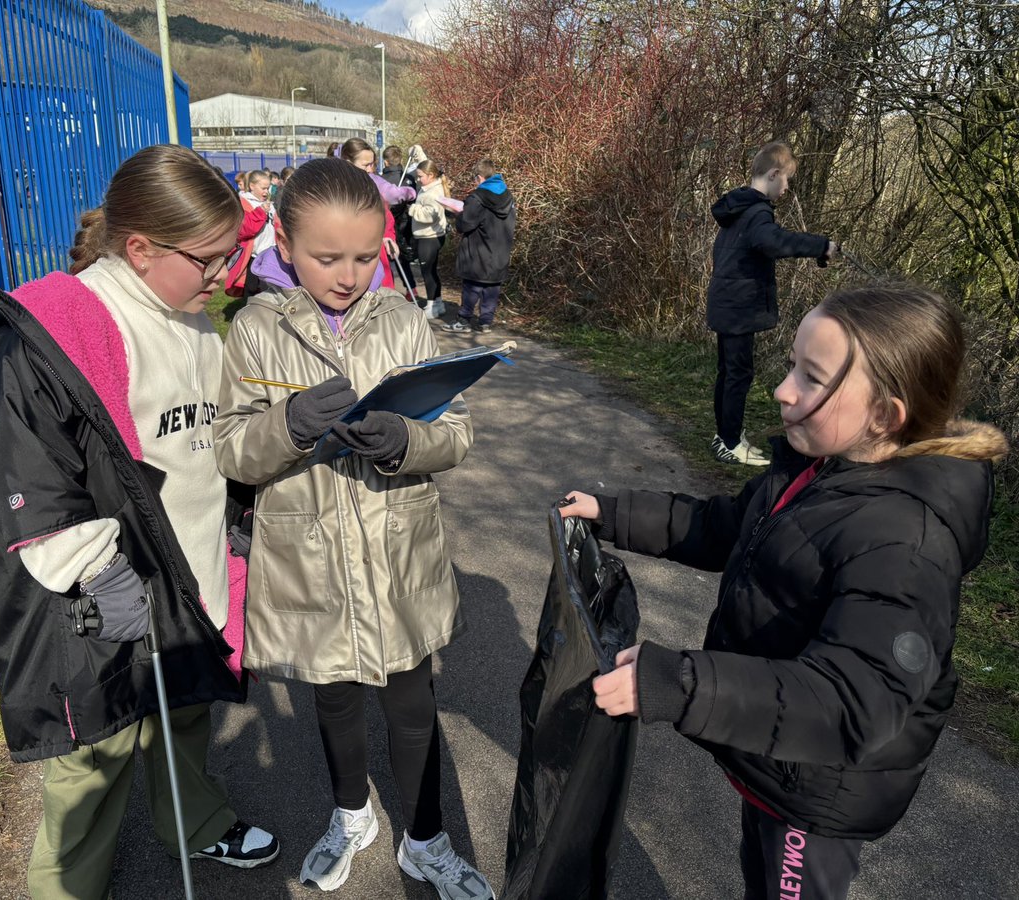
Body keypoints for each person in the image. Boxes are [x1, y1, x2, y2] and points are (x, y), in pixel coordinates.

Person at [559, 283, 1008, 900]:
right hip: (775, 754)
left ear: (884, 415)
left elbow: (852, 701)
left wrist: (679, 683)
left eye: (811, 377)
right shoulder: (822, 466)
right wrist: (612, 513)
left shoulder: (904, 541)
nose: (782, 388)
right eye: (792, 363)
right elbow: (726, 528)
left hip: (818, 786)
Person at [0, 144, 280, 900]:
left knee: (188, 708)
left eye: (231, 257)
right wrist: (97, 570)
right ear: (139, 248)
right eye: (206, 260)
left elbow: (210, 435)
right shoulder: (60, 331)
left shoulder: (193, 315)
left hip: (189, 563)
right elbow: (23, 470)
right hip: (107, 582)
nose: (222, 277)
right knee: (96, 753)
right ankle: (66, 888)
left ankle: (193, 822)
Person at [214, 158, 494, 900]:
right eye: (326, 257)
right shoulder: (254, 331)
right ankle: (350, 815)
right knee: (332, 695)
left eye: (366, 257)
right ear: (284, 241)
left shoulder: (405, 323)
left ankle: (426, 839)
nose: (347, 275)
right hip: (310, 559)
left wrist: (408, 441)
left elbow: (456, 433)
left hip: (397, 552)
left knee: (411, 703)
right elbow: (231, 448)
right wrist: (288, 426)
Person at [707, 141, 837, 466]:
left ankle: (725, 435)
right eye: (787, 179)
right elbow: (774, 242)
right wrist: (821, 245)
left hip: (725, 304)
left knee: (729, 373)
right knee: (738, 374)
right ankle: (731, 442)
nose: (787, 187)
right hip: (737, 309)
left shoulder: (736, 209)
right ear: (774, 174)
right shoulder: (756, 211)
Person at [442, 159, 515, 335]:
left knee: (472, 285)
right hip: (500, 249)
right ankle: (485, 322)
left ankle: (464, 320)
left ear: (479, 177)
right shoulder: (508, 196)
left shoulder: (477, 197)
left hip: (478, 249)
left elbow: (466, 224)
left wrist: (457, 216)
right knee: (492, 287)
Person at [339, 137, 416, 292]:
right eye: (365, 165)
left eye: (372, 164)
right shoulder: (334, 189)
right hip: (347, 257)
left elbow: (385, 216)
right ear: (348, 162)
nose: (370, 170)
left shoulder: (372, 186)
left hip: (375, 255)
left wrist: (388, 237)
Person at [409, 159, 450, 317]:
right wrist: (417, 151)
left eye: (420, 176)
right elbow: (423, 158)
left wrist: (413, 209)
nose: (418, 179)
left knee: (428, 273)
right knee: (431, 271)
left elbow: (430, 215)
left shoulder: (433, 192)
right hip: (428, 236)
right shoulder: (428, 187)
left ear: (431, 175)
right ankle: (438, 303)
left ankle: (432, 305)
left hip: (429, 237)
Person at [226, 169, 276, 298]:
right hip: (253, 255)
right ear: (252, 186)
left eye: (268, 188)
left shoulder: (269, 204)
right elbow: (244, 230)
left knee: (269, 288)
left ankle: (267, 313)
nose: (266, 192)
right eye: (263, 188)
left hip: (270, 253)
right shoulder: (244, 203)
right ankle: (249, 314)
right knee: (251, 288)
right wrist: (260, 212)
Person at [381, 145, 418, 277]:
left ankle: (389, 285)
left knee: (388, 258)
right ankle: (411, 287)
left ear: (385, 162)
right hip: (405, 223)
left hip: (389, 223)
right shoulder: (409, 179)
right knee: (402, 258)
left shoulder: (381, 181)